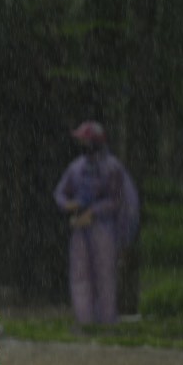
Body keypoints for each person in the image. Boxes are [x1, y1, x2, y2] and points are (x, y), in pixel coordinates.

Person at [52, 121, 138, 327]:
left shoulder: (112, 167)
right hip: (80, 228)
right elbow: (60, 193)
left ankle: (106, 322)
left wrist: (93, 212)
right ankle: (85, 321)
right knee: (80, 274)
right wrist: (70, 205)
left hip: (103, 227)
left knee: (104, 274)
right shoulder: (77, 167)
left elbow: (117, 200)